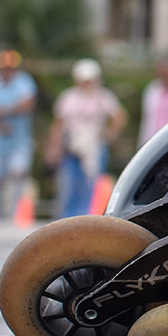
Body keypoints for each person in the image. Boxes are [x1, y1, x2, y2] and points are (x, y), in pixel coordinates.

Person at [44, 59, 126, 219]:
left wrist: (110, 134)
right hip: (71, 146)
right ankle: (67, 218)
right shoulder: (69, 97)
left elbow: (119, 116)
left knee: (89, 185)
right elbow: (59, 125)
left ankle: (84, 218)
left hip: (94, 147)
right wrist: (54, 147)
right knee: (69, 185)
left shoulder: (102, 97)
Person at [0, 50, 38, 220]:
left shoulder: (24, 82)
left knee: (17, 175)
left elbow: (28, 104)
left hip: (19, 141)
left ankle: (11, 216)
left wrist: (2, 111)